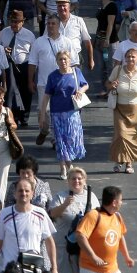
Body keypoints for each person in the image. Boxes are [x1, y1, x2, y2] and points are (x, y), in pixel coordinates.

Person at [0, 178, 58, 273]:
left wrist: (54, 268)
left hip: (31, 269)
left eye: (27, 191)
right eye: (20, 190)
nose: (24, 193)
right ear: (15, 194)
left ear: (32, 193)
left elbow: (49, 242)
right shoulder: (4, 214)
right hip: (10, 270)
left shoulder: (40, 214)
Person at [106, 48, 137, 174]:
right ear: (124, 58)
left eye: (133, 57)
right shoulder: (117, 70)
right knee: (121, 136)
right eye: (128, 56)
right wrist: (112, 85)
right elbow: (107, 84)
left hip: (136, 110)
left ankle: (128, 163)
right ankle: (118, 161)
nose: (130, 59)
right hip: (120, 108)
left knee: (133, 138)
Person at [40, 51, 89, 180]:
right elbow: (46, 96)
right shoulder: (53, 76)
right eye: (60, 59)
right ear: (57, 61)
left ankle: (68, 163)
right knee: (60, 141)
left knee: (71, 139)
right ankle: (64, 166)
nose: (63, 61)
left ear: (69, 59)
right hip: (57, 112)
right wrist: (42, 114)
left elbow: (85, 85)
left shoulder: (76, 72)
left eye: (65, 59)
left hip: (72, 111)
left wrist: (80, 90)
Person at [48, 168, 98, 273]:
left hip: (86, 244)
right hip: (66, 244)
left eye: (79, 178)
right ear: (68, 181)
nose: (76, 181)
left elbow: (99, 217)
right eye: (73, 178)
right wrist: (65, 205)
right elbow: (52, 214)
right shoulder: (60, 196)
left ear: (84, 181)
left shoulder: (91, 196)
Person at [75, 186, 133, 273]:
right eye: (120, 200)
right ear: (114, 202)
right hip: (91, 272)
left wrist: (127, 257)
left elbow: (120, 237)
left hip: (113, 272)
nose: (121, 203)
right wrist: (93, 256)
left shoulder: (117, 217)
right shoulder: (93, 215)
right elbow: (80, 236)